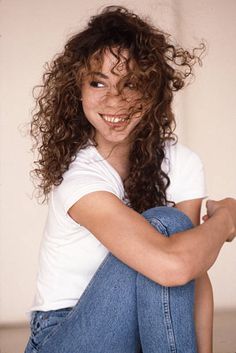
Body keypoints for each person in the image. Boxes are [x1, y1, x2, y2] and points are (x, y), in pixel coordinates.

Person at [24, 6, 236, 353]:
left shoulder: (182, 163)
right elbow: (174, 265)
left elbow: (194, 272)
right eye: (98, 82)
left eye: (131, 83)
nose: (114, 100)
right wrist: (226, 218)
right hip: (63, 335)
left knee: (174, 238)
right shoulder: (79, 177)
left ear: (152, 90)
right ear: (76, 91)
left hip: (143, 331)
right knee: (165, 226)